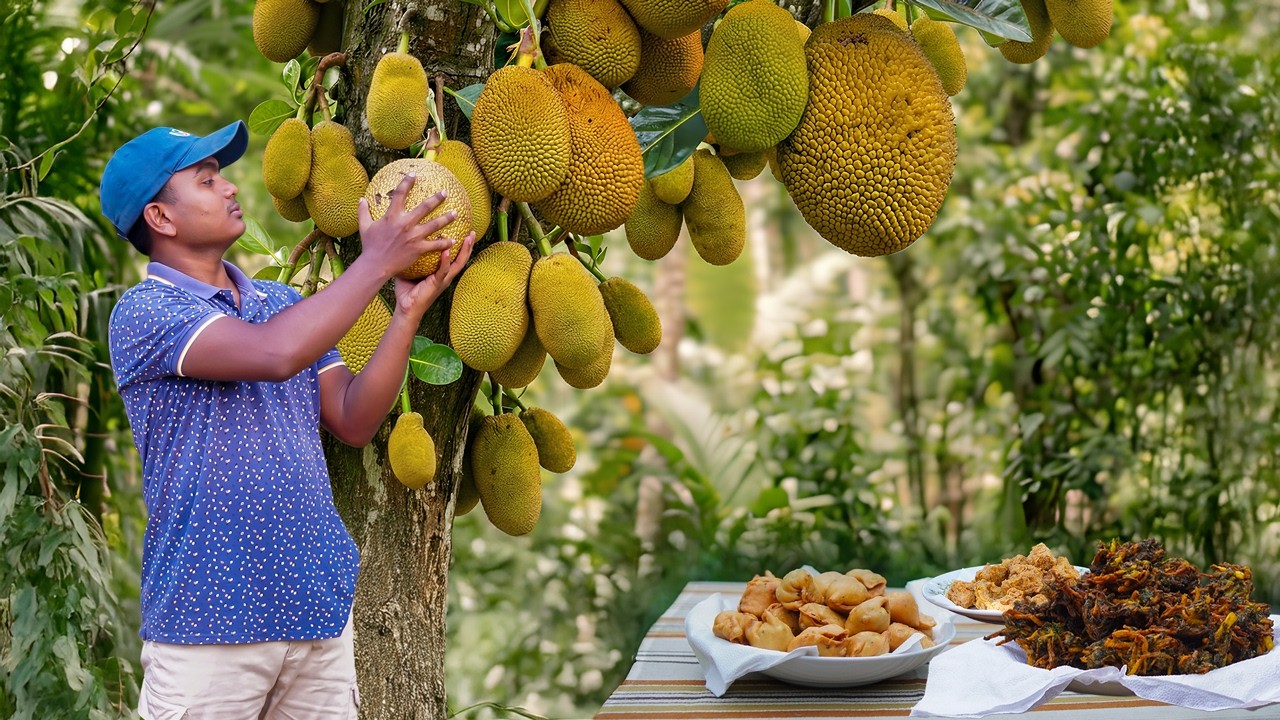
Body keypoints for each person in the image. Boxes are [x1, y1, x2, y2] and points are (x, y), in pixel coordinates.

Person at [100, 121, 474, 719]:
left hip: (315, 613)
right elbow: (274, 355)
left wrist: (405, 313)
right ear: (161, 219)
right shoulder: (146, 314)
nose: (227, 187)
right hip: (209, 621)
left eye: (221, 174)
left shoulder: (280, 304)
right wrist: (375, 262)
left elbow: (352, 418)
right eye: (205, 179)